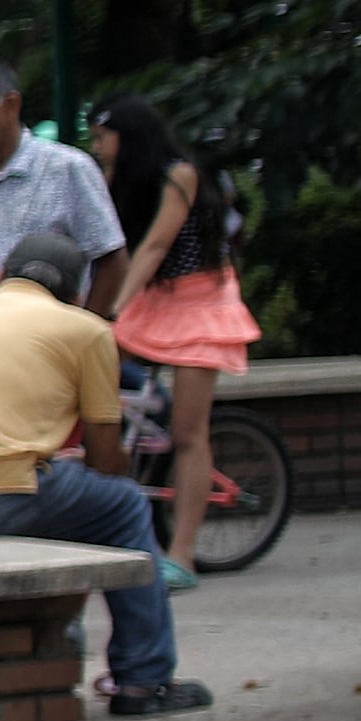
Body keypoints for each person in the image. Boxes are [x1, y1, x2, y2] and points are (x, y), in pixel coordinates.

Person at [0, 228, 205, 715]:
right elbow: (106, 458)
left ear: (2, 275)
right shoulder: (86, 330)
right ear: (76, 294)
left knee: (56, 488)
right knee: (125, 505)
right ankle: (143, 680)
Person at [92, 93, 260, 579]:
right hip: (156, 297)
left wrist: (113, 311)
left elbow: (154, 247)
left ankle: (182, 555)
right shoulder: (120, 181)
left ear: (128, 136)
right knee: (88, 373)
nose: (97, 147)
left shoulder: (178, 174)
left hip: (200, 302)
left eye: (103, 137)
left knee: (189, 433)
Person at [0, 55, 124, 306]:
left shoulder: (68, 170)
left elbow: (111, 259)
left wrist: (83, 325)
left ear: (11, 104)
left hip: (44, 329)